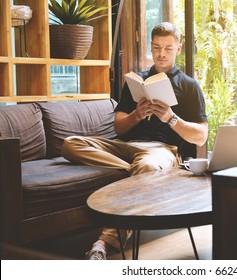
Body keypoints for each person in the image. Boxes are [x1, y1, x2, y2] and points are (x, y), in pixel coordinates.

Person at [61, 22, 208, 260]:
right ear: (151, 47)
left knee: (148, 165)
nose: (161, 54)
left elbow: (201, 135)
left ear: (178, 49)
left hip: (162, 150)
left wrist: (170, 118)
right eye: (156, 47)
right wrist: (137, 114)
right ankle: (137, 173)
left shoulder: (189, 86)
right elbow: (118, 127)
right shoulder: (135, 81)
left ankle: (104, 243)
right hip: (125, 148)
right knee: (70, 143)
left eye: (168, 48)